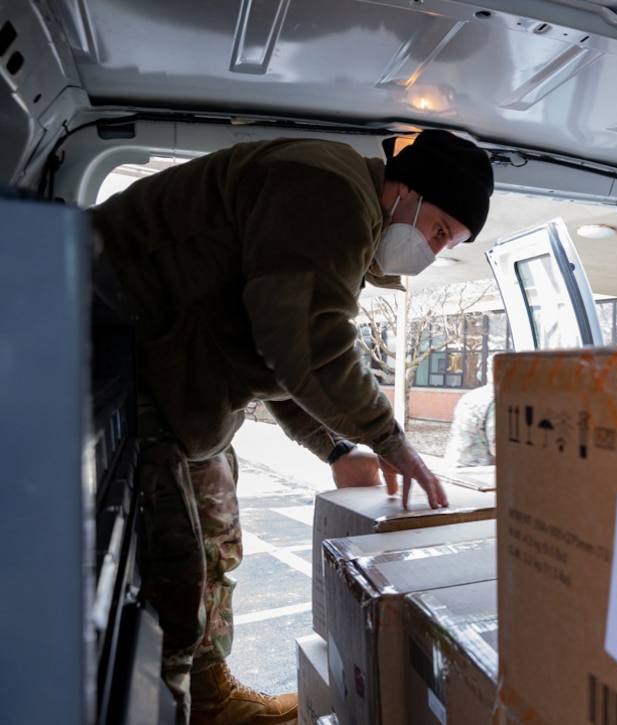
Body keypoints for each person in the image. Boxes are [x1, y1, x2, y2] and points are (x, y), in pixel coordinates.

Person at [89, 130, 494, 725]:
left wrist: (334, 445)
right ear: (408, 189)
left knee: (217, 542)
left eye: (449, 245)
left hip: (173, 376)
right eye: (438, 231)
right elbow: (304, 340)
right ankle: (168, 708)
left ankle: (208, 699)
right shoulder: (328, 188)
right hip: (126, 364)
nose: (432, 252)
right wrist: (389, 439)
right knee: (173, 583)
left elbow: (272, 352)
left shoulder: (348, 217)